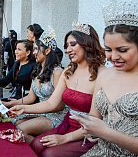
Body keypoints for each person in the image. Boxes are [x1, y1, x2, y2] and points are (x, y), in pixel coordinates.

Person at [10, 23, 106, 157]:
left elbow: (94, 119)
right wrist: (24, 108)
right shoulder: (69, 71)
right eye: (67, 46)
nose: (68, 49)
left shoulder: (101, 74)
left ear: (87, 44)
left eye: (73, 44)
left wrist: (65, 138)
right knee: (37, 144)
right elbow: (51, 103)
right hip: (68, 124)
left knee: (50, 153)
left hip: (88, 132)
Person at [72, 0, 138, 156]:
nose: (113, 57)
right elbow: (94, 118)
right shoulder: (104, 75)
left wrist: (106, 132)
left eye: (122, 50)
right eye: (108, 49)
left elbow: (103, 129)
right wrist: (89, 128)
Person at [4, 28, 67, 144]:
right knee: (15, 121)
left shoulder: (57, 72)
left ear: (47, 51)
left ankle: (39, 149)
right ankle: (35, 147)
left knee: (20, 129)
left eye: (37, 49)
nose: (33, 52)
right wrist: (8, 104)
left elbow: (59, 106)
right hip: (42, 111)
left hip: (56, 115)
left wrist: (25, 109)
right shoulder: (37, 69)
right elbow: (30, 98)